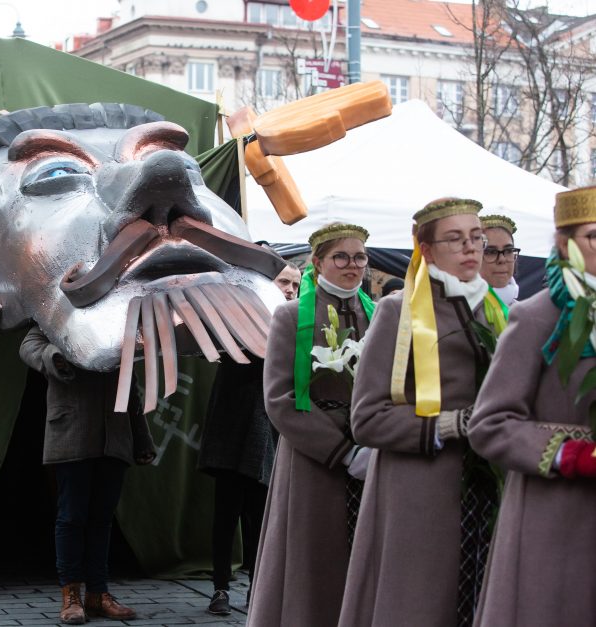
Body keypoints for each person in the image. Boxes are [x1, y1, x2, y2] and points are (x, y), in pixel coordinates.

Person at [339, 198, 505, 626]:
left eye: (476, 238)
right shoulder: (400, 310)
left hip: (481, 486)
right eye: (455, 238)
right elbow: (367, 417)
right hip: (420, 491)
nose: (470, 248)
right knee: (418, 605)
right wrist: (449, 424)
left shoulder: (492, 309)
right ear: (426, 250)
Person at [469, 187, 596, 624]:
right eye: (595, 236)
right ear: (564, 245)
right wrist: (569, 451)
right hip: (554, 514)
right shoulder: (538, 316)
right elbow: (489, 423)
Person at [248, 224, 376, 626]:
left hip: (370, 454)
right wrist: (342, 452)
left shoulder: (378, 314)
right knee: (313, 560)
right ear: (318, 262)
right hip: (313, 458)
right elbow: (281, 399)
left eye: (359, 257)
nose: (352, 265)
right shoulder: (291, 316)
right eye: (342, 257)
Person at [19, 324, 155, 625]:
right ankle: (71, 595)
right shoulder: (59, 309)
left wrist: (142, 438)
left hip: (115, 435)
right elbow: (30, 344)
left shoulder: (117, 315)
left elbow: (128, 384)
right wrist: (55, 356)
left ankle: (98, 594)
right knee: (72, 516)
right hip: (73, 428)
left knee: (101, 519)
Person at [198, 254, 298, 616]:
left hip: (269, 431)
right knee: (226, 513)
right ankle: (221, 588)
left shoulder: (297, 324)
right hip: (232, 424)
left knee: (261, 514)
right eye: (284, 281)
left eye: (295, 285)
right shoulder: (239, 316)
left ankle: (259, 587)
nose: (289, 289)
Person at [480, 214, 520, 305]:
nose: (502, 259)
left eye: (508, 251)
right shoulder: (454, 311)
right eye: (491, 252)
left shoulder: (526, 314)